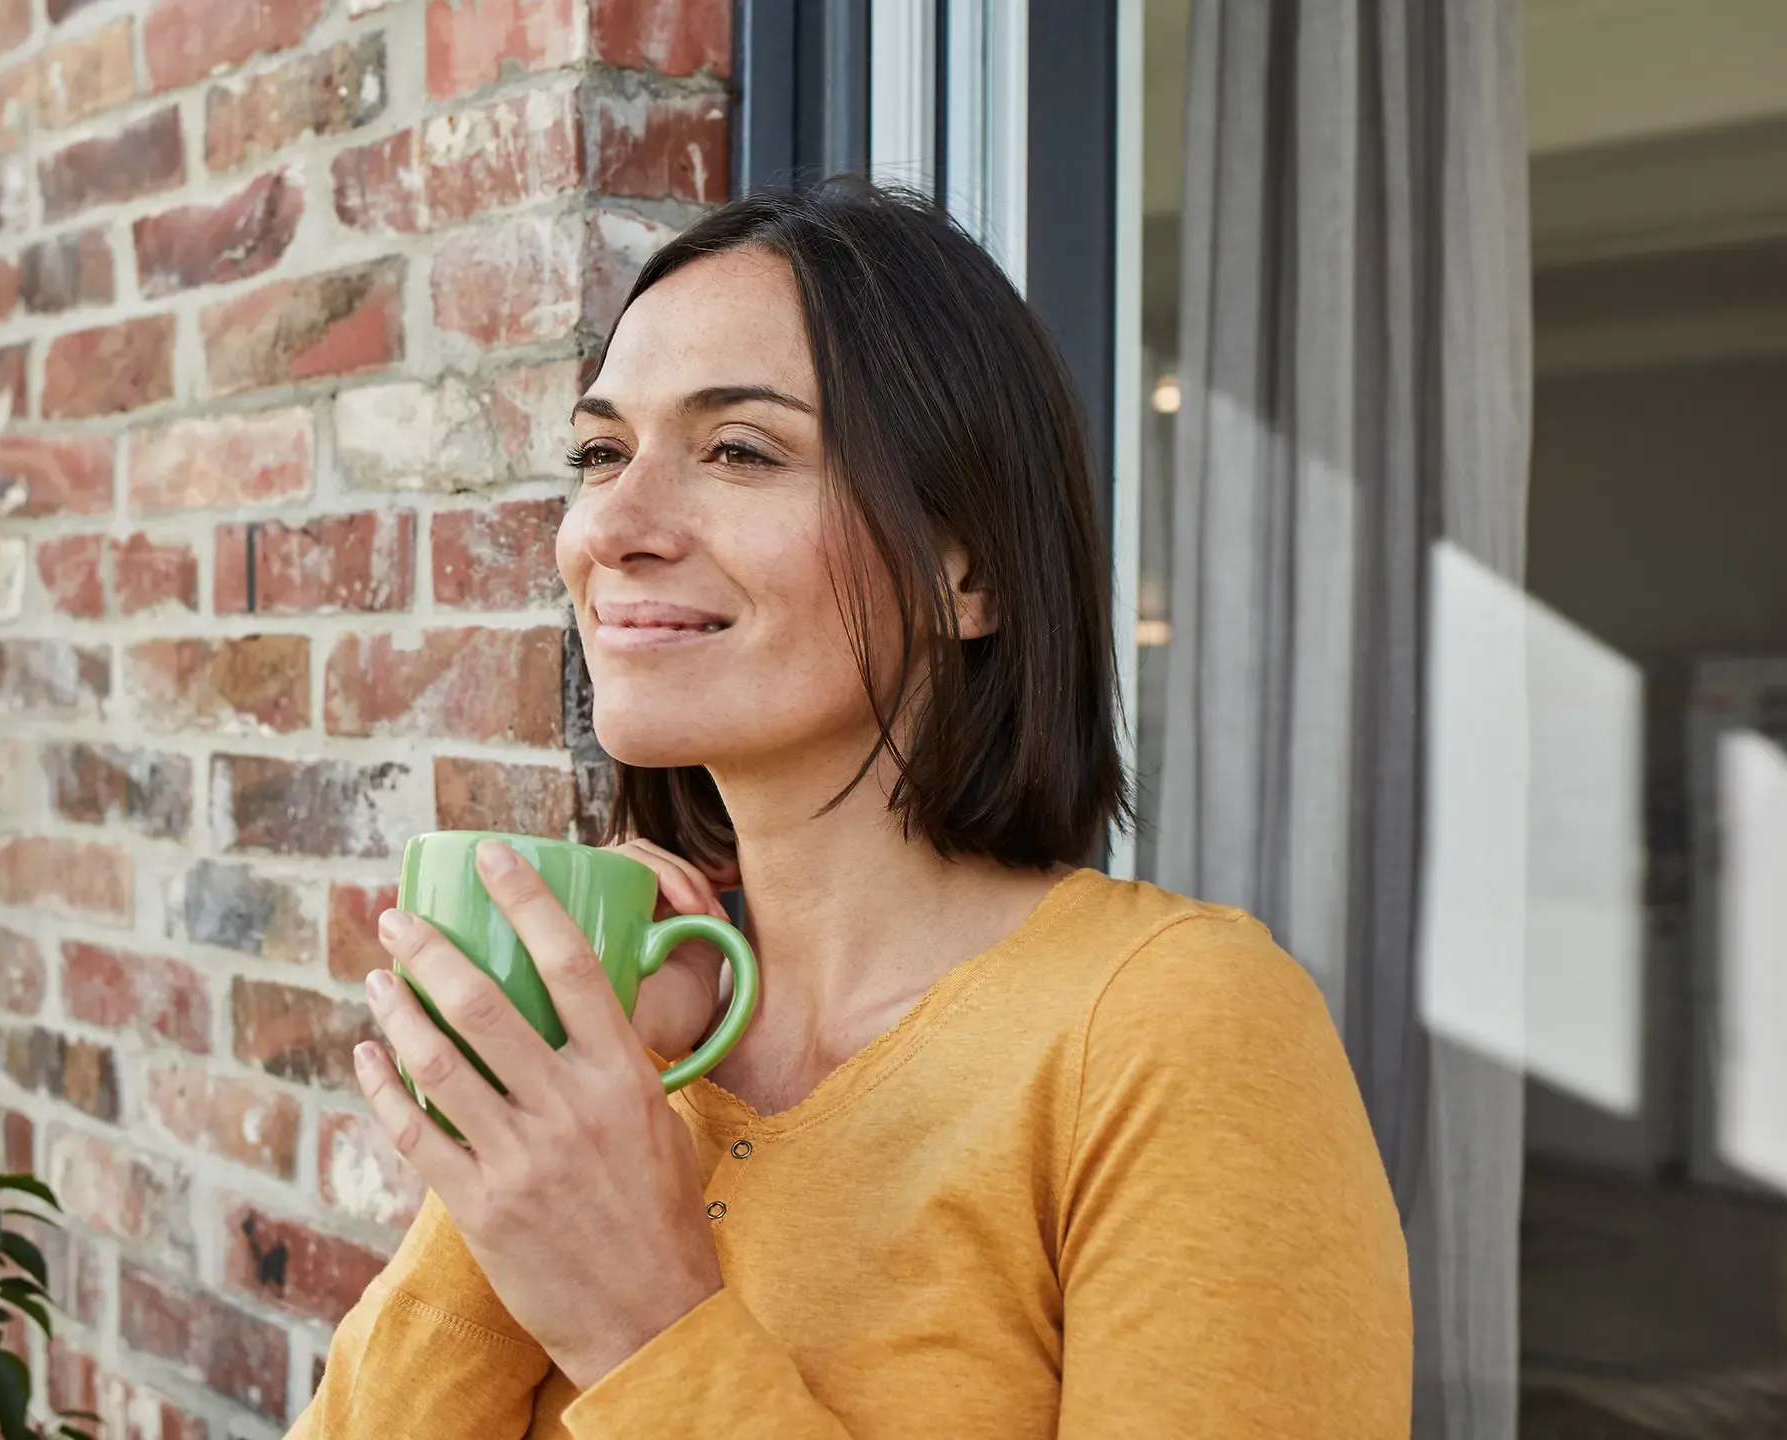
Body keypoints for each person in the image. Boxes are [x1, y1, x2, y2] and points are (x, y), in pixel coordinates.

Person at [291, 178, 1410, 1438]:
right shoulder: (647, 1040)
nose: (613, 523)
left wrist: (642, 1324)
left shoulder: (1170, 1029)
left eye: (739, 451)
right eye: (601, 452)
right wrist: (531, 1135)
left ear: (965, 570)